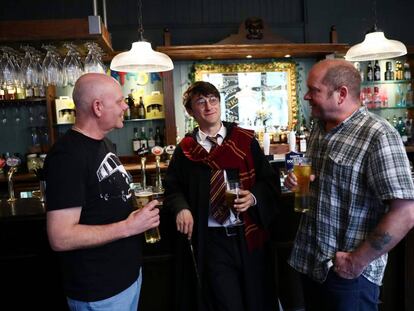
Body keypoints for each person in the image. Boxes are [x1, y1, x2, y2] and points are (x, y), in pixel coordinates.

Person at [284, 59, 414, 311]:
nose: (307, 96)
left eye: (314, 90)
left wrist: (357, 261)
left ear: (341, 94)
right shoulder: (320, 127)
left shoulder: (379, 135)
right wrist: (300, 183)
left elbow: (406, 212)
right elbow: (323, 183)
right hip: (311, 262)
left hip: (348, 274)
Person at [44, 73, 160, 311]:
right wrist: (128, 227)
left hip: (125, 278)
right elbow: (60, 237)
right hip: (99, 291)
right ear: (98, 107)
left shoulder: (104, 142)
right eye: (119, 101)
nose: (125, 106)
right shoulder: (67, 157)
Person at [164, 81, 280, 311]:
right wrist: (182, 207)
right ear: (190, 111)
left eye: (213, 99)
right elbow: (172, 188)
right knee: (227, 304)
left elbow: (269, 181)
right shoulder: (186, 149)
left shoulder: (245, 141)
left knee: (256, 299)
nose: (209, 106)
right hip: (212, 240)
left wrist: (253, 198)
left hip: (247, 235)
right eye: (201, 101)